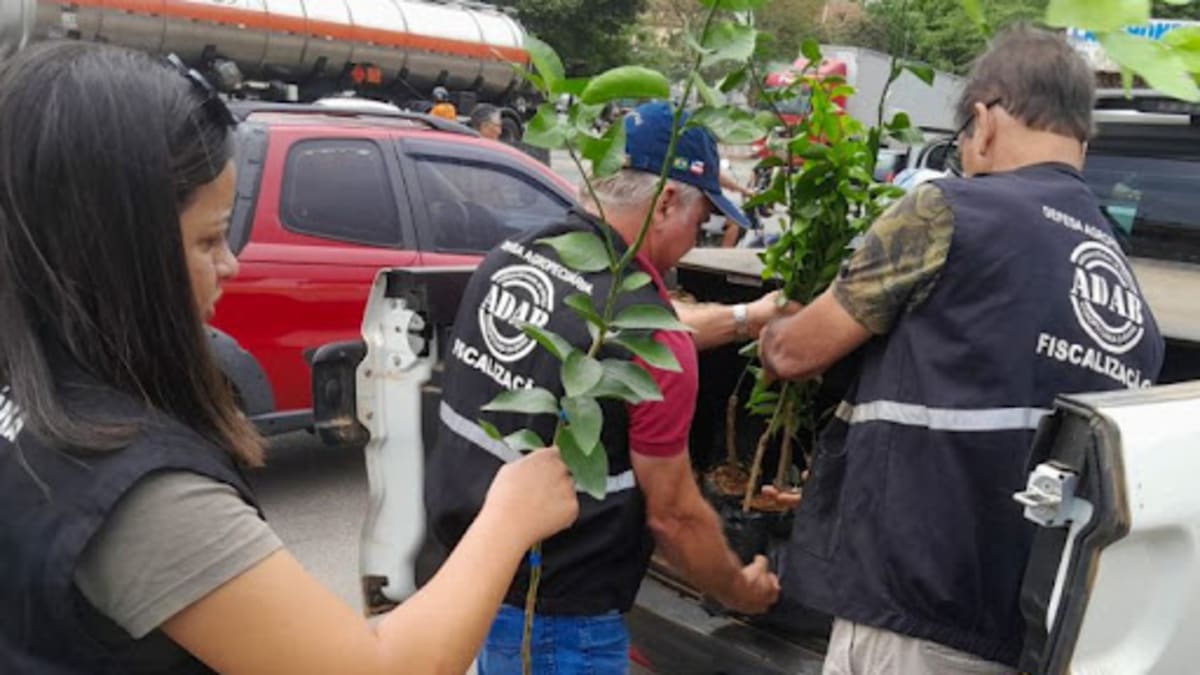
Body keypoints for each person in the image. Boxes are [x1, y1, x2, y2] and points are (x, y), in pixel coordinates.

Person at [0, 41, 579, 674]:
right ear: (110, 250)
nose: (232, 264)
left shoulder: (31, 395)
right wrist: (508, 517)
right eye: (210, 238)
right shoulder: (140, 495)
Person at [757, 26, 1165, 674]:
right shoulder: (1126, 292)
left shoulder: (948, 211)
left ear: (983, 119)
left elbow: (795, 353)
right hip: (1028, 631)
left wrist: (765, 321)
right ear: (1081, 139)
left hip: (910, 611)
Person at [427, 101, 783, 674]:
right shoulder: (649, 344)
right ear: (667, 201)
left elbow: (617, 328)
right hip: (565, 624)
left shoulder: (513, 258)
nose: (698, 239)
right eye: (702, 221)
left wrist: (748, 316)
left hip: (475, 576)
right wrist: (739, 588)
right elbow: (675, 517)